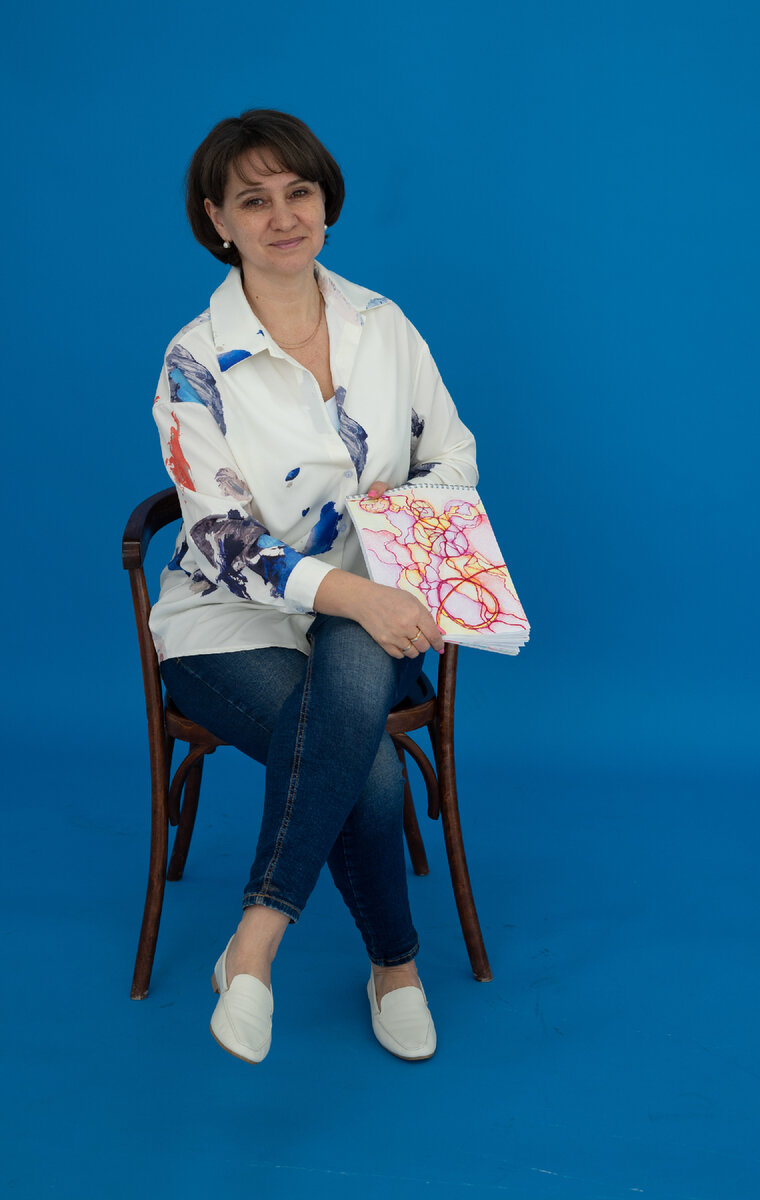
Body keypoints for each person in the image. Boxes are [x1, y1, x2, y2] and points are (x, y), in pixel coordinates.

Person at [150, 109, 478, 1064]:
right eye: (253, 200)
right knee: (364, 759)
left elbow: (453, 457)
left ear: (325, 204)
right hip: (227, 625)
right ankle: (395, 966)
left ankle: (254, 946)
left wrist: (380, 567)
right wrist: (356, 593)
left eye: (298, 192)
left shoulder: (384, 326)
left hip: (382, 608)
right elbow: (218, 540)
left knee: (353, 653)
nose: (283, 216)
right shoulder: (195, 360)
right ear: (219, 221)